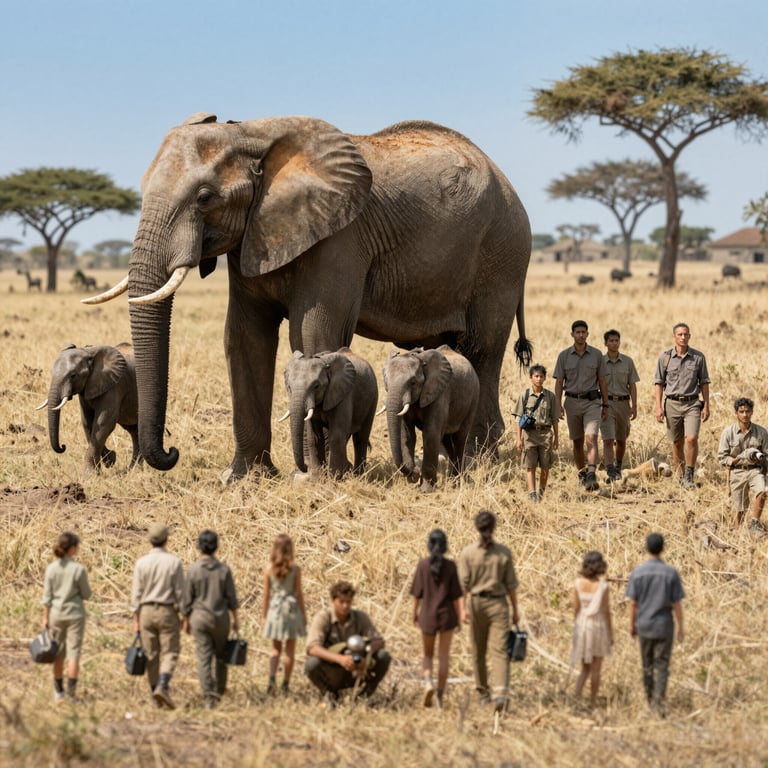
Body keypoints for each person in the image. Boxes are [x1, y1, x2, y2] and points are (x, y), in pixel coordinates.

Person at [458, 510, 520, 713]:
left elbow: (463, 586)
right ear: (494, 528)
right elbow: (511, 586)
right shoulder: (503, 553)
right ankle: (501, 693)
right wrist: (515, 610)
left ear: (477, 527)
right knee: (500, 651)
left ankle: (483, 693)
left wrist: (462, 609)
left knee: (478, 650)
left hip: (476, 603)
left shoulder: (468, 553)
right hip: (498, 604)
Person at [626, 533, 685, 716]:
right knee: (662, 665)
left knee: (647, 664)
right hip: (664, 625)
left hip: (644, 625)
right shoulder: (670, 573)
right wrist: (681, 627)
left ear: (646, 548)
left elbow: (633, 603)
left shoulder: (638, 573)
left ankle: (650, 699)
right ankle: (659, 702)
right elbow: (677, 604)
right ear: (663, 548)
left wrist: (632, 625)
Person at [305, 581, 391, 705]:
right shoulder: (323, 617)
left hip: (357, 669)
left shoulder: (360, 617)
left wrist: (366, 657)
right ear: (332, 601)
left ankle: (364, 696)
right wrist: (340, 659)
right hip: (333, 668)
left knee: (383, 656)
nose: (345, 606)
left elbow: (379, 641)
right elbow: (312, 648)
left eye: (348, 602)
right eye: (341, 602)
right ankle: (329, 693)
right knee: (312, 664)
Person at [181, 530, 240, 709]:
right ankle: (219, 693)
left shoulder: (193, 570)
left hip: (200, 619)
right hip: (221, 619)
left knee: (204, 658)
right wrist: (236, 619)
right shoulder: (224, 570)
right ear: (216, 547)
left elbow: (187, 599)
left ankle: (208, 697)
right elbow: (232, 598)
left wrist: (185, 619)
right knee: (221, 657)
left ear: (199, 547)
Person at [131, 522, 184, 710]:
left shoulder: (141, 563)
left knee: (151, 654)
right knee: (170, 651)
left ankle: (155, 695)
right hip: (167, 611)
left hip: (145, 612)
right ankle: (163, 685)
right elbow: (180, 593)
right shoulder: (174, 562)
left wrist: (136, 619)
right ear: (166, 539)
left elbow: (136, 595)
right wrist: (184, 614)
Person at [410, 529, 464, 708]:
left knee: (427, 654)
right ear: (445, 546)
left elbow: (417, 595)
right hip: (447, 616)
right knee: (443, 656)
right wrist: (459, 616)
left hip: (427, 616)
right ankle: (440, 695)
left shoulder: (422, 565)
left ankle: (427, 682)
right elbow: (456, 596)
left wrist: (414, 613)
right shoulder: (451, 566)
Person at [653, 322, 710, 489]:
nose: (683, 337)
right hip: (672, 404)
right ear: (674, 337)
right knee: (677, 442)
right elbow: (658, 383)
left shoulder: (698, 357)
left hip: (692, 403)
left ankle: (689, 475)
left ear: (690, 336)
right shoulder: (665, 358)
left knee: (691, 438)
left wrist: (706, 405)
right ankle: (680, 475)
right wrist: (658, 407)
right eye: (680, 334)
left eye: (686, 334)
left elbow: (704, 382)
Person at [553, 320, 608, 491]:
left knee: (591, 437)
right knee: (577, 441)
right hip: (571, 402)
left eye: (584, 332)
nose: (581, 335)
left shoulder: (597, 355)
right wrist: (558, 404)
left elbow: (602, 381)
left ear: (587, 334)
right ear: (572, 334)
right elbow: (559, 382)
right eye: (578, 332)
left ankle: (591, 474)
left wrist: (605, 404)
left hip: (592, 402)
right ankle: (582, 473)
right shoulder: (564, 356)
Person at [41, 532, 92, 703]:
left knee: (58, 653)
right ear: (72, 548)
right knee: (74, 653)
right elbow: (87, 594)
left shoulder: (51, 569)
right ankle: (71, 694)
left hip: (56, 614)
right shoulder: (78, 569)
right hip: (75, 615)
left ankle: (58, 692)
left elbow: (47, 598)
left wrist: (45, 618)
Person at [262, 534, 307, 694]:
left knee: (275, 650)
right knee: (290, 651)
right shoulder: (295, 570)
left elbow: (266, 595)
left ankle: (272, 679)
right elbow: (299, 593)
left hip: (275, 609)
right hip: (291, 609)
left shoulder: (268, 569)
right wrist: (303, 613)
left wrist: (264, 615)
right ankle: (286, 684)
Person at [717, 397, 768, 531]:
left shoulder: (761, 432)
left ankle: (755, 523)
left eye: (748, 411)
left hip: (755, 470)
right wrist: (737, 459)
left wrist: (760, 463)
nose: (745, 415)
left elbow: (766, 455)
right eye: (742, 411)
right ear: (736, 413)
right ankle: (738, 532)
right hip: (737, 471)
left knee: (762, 492)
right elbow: (722, 457)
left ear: (752, 412)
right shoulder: (728, 432)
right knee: (740, 509)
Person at [570, 551, 613, 709]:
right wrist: (611, 633)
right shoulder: (603, 586)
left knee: (584, 669)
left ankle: (576, 699)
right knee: (596, 669)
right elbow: (606, 611)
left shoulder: (577, 584)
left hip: (582, 626)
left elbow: (576, 609)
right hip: (598, 626)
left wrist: (576, 627)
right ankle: (592, 703)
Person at [512, 364, 560, 501]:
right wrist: (518, 439)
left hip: (545, 434)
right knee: (530, 465)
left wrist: (556, 438)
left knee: (546, 465)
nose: (539, 379)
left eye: (541, 376)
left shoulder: (550, 396)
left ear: (545, 378)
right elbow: (518, 419)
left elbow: (555, 419)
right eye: (536, 376)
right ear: (531, 377)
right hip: (529, 434)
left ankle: (541, 492)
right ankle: (532, 494)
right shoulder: (525, 395)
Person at [601, 330, 640, 482]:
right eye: (611, 341)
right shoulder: (600, 362)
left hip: (623, 403)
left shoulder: (628, 362)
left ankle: (618, 465)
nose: (614, 343)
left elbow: (632, 385)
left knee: (621, 439)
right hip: (606, 404)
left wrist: (634, 405)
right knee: (608, 439)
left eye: (616, 340)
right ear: (605, 343)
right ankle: (610, 470)